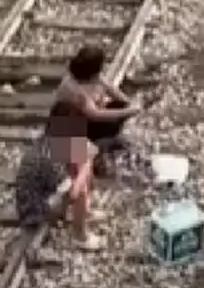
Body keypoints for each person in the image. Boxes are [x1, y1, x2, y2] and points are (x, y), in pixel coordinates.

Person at [29, 46, 138, 241]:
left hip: (71, 131)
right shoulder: (74, 90)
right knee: (81, 187)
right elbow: (95, 114)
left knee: (84, 180)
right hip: (65, 135)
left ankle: (75, 213)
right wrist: (128, 112)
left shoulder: (87, 78)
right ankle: (81, 234)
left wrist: (128, 103)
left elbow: (107, 86)